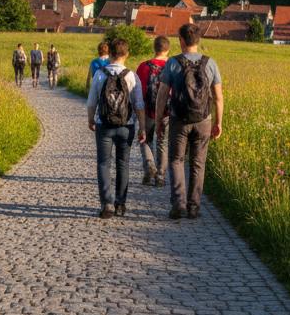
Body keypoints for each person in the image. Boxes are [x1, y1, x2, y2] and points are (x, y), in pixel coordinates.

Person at [154, 23, 223, 220]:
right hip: (203, 120)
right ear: (198, 40)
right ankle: (194, 207)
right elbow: (218, 97)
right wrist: (219, 122)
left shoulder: (173, 63)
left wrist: (160, 120)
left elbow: (162, 94)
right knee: (198, 163)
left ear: (181, 41)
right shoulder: (210, 63)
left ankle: (178, 205)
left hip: (179, 119)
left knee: (176, 160)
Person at [87, 38, 146, 218]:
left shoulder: (99, 74)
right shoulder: (131, 76)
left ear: (110, 54)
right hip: (126, 126)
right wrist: (142, 127)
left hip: (103, 125)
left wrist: (91, 120)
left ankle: (107, 204)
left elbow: (91, 102)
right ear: (126, 55)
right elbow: (139, 105)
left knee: (103, 163)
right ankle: (121, 204)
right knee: (123, 164)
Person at [136, 35, 171, 187]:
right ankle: (161, 176)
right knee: (163, 143)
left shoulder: (143, 66)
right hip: (166, 112)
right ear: (167, 49)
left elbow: (138, 91)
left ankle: (149, 165)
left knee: (144, 139)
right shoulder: (173, 66)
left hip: (147, 110)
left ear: (154, 48)